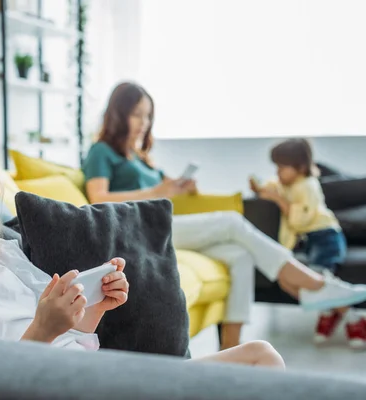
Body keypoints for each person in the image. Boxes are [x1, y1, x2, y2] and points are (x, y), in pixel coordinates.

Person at [0, 125, 284, 369]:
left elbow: (73, 343)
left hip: (101, 375)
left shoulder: (5, 258)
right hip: (76, 385)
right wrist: (41, 330)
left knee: (260, 356)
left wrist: (90, 313)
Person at [82, 81, 366, 350]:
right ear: (119, 115)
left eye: (147, 116)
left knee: (238, 255)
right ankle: (315, 284)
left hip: (161, 224)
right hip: (137, 229)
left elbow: (164, 191)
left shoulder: (140, 158)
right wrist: (158, 189)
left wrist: (180, 189)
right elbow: (98, 199)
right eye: (137, 115)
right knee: (231, 222)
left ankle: (231, 349)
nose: (143, 123)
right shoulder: (101, 152)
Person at [251, 138, 365, 348]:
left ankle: (352, 317)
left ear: (300, 167)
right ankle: (336, 311)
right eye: (276, 167)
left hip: (326, 236)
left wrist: (279, 200)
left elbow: (300, 220)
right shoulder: (289, 183)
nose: (278, 172)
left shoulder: (307, 186)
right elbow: (271, 185)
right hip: (311, 240)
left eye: (282, 168)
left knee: (319, 277)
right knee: (310, 280)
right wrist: (260, 189)